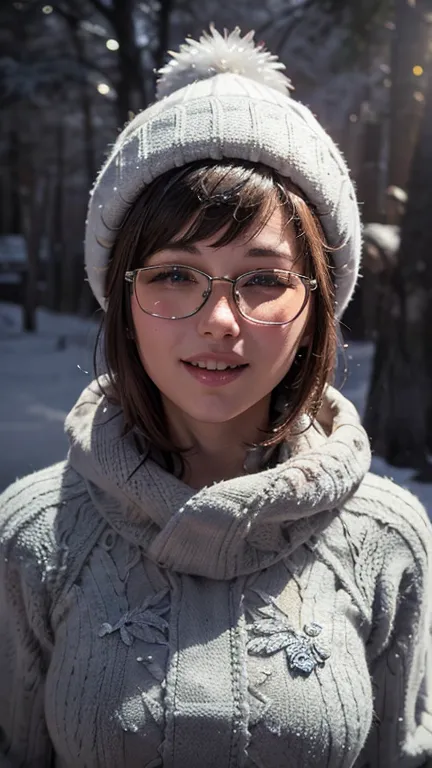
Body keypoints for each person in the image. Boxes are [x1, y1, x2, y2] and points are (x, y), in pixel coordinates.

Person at [0, 26, 431, 768]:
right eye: (174, 275)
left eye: (263, 279)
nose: (220, 321)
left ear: (318, 304)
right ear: (123, 301)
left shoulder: (386, 538)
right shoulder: (35, 536)